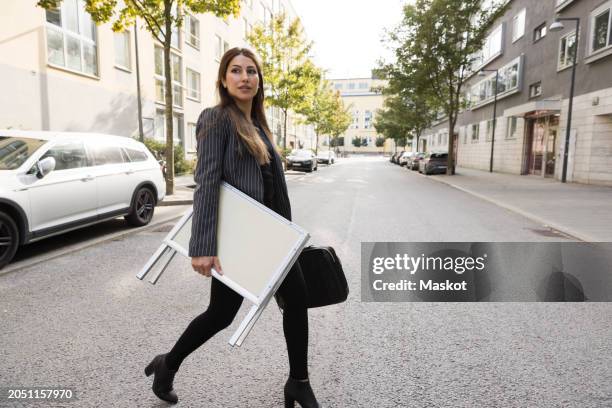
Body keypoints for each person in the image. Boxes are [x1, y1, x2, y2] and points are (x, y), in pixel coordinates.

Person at [144, 47, 321, 408]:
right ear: (224, 80)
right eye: (236, 71)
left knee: (299, 298)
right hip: (241, 236)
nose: (245, 77)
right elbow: (207, 182)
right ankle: (168, 363)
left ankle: (298, 382)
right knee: (221, 315)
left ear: (259, 80)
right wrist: (202, 245)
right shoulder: (216, 119)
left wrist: (290, 237)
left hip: (272, 236)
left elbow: (271, 186)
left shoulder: (259, 124)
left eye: (251, 71)